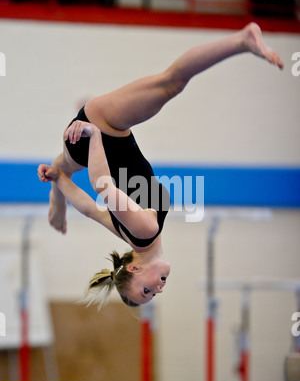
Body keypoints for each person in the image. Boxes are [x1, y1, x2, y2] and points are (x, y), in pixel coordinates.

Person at [38, 23, 283, 307]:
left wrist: (94, 136)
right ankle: (55, 197)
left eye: (146, 291)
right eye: (152, 295)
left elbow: (102, 187)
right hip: (89, 144)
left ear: (134, 268)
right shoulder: (131, 236)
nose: (158, 290)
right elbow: (90, 209)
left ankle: (243, 40)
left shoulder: (143, 231)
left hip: (103, 129)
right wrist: (57, 179)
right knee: (63, 164)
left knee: (172, 83)